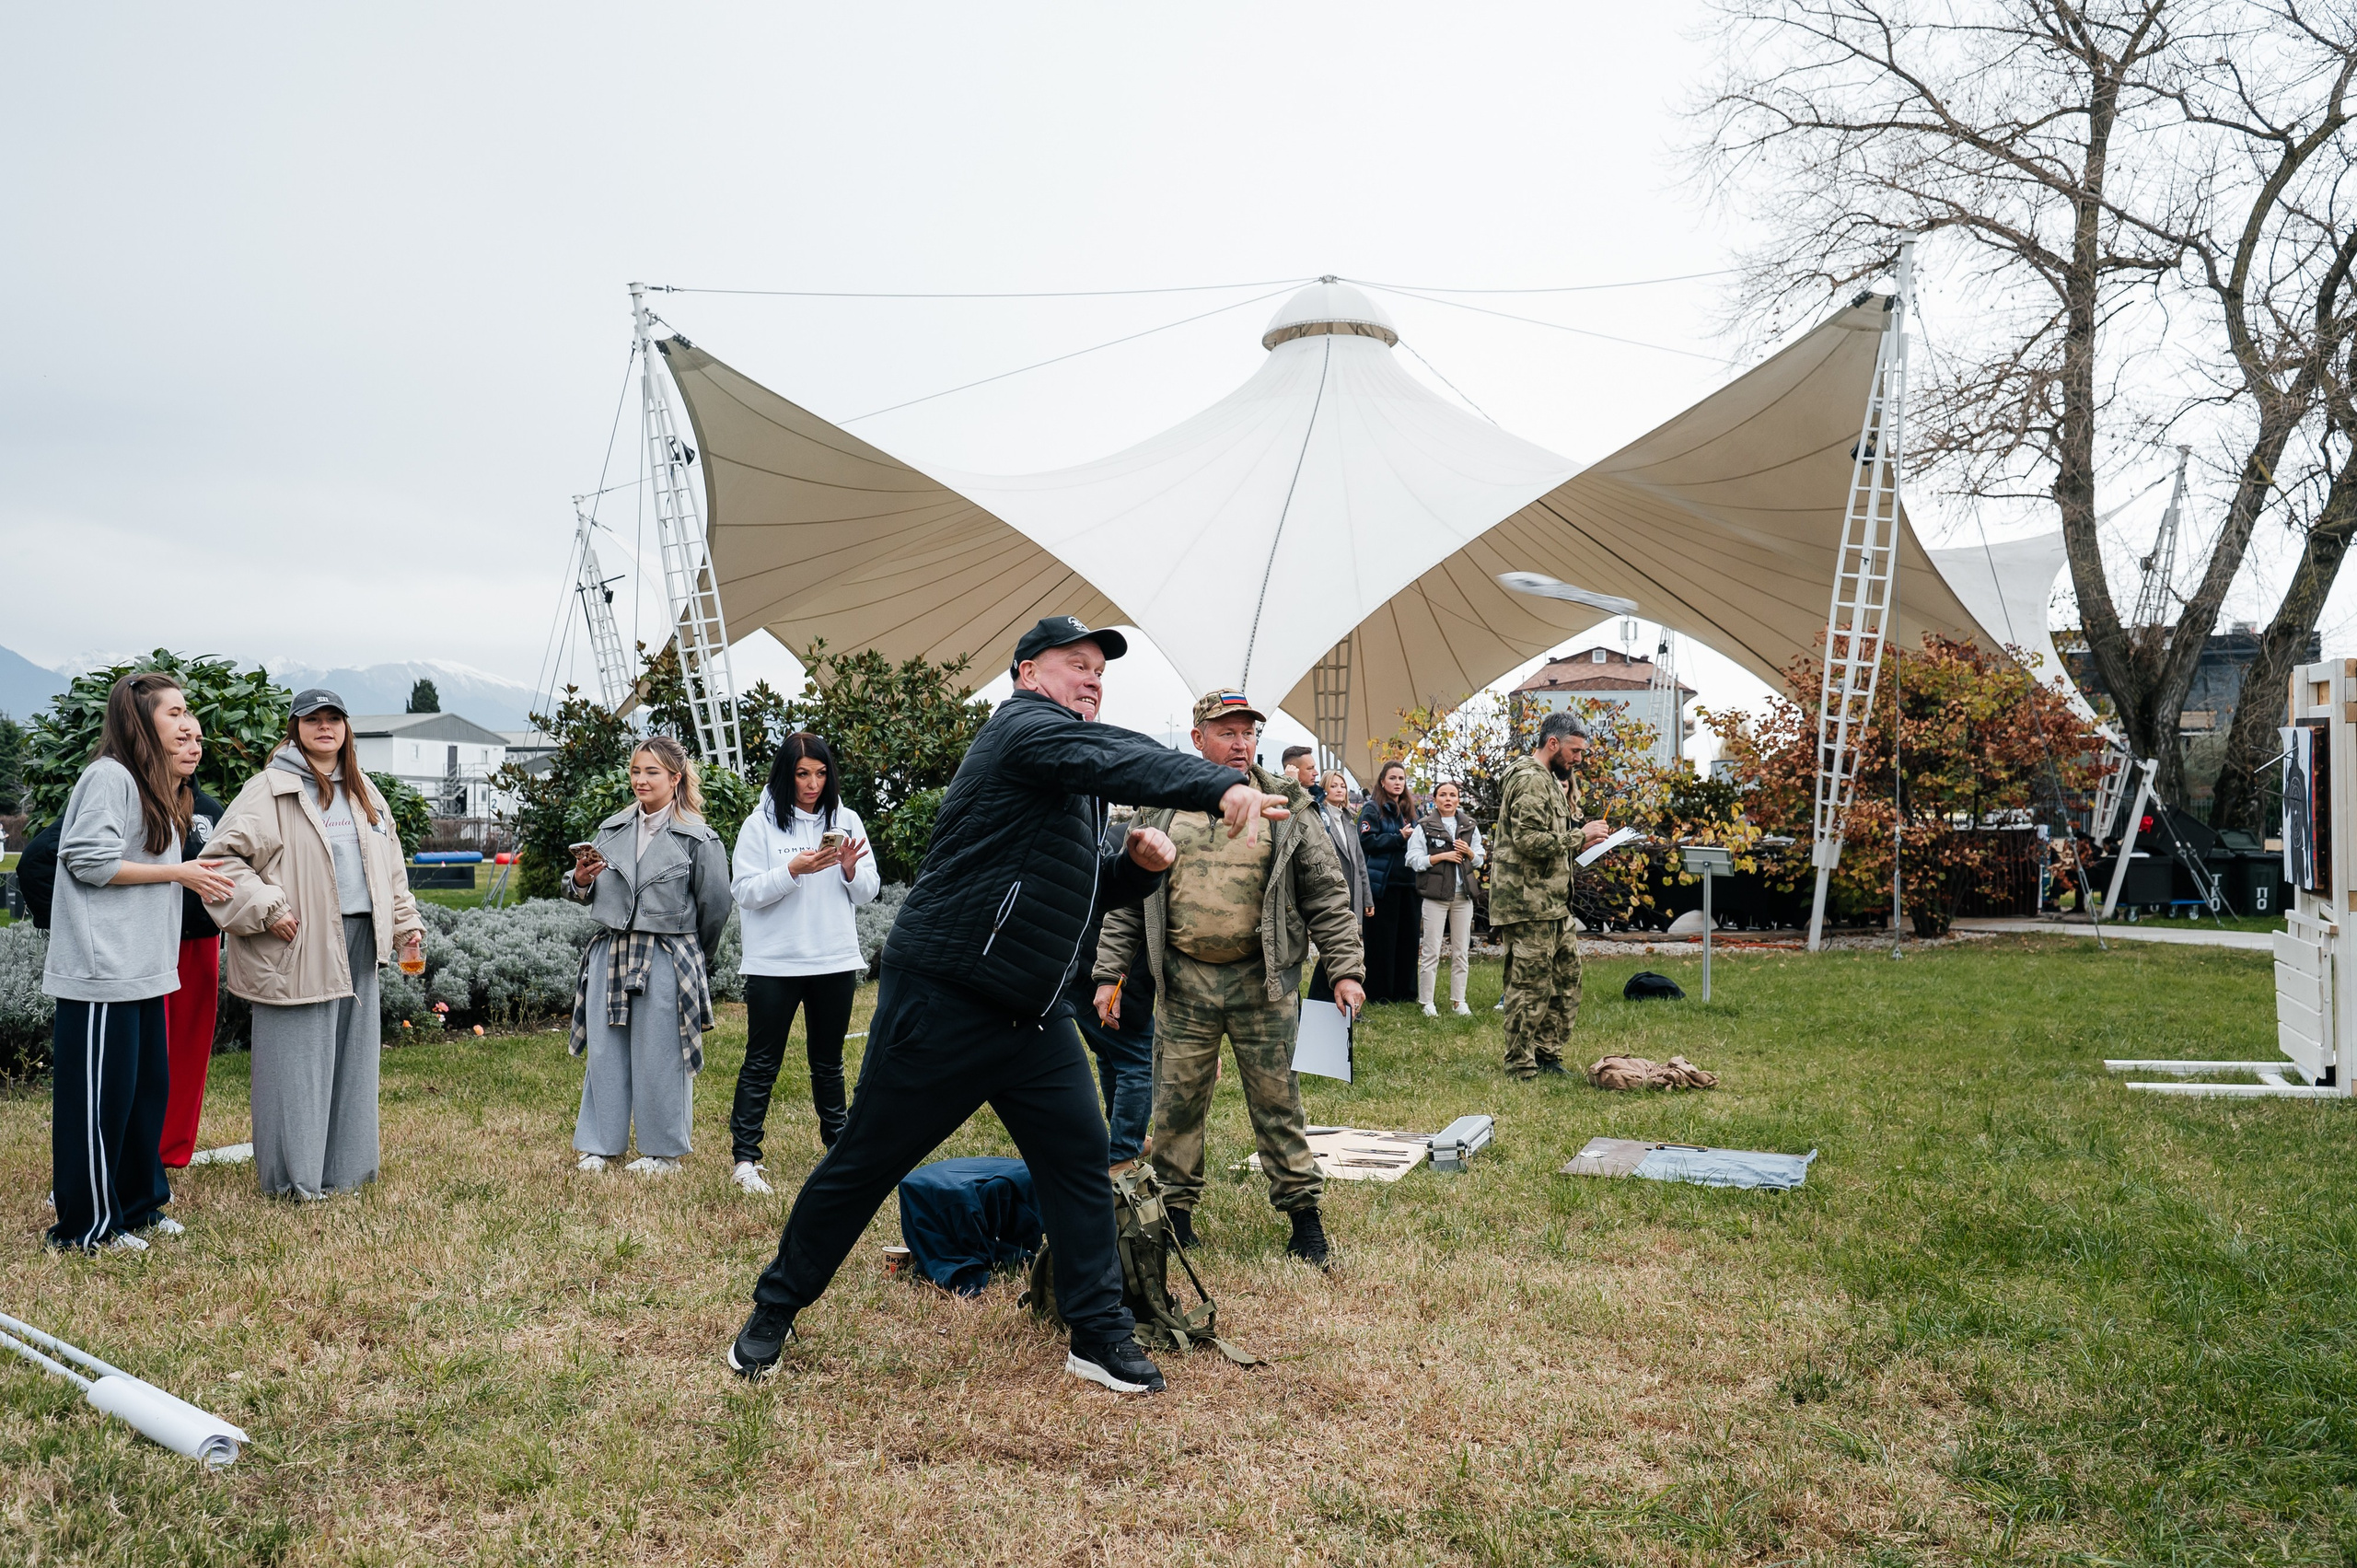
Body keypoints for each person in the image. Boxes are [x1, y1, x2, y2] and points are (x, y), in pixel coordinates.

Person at [729, 615, 1283, 1396]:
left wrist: (1133, 869)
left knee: (1080, 1165)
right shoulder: (1022, 729)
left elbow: (1070, 887)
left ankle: (1097, 1332)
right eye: (1076, 663)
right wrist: (1215, 782)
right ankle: (774, 1309)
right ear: (1027, 672)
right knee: (865, 1161)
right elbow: (1107, 752)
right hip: (949, 995)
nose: (1092, 679)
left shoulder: (1068, 769)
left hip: (1034, 1014)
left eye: (1100, 671)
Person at [1093, 689, 1366, 1267]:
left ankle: (1305, 1221)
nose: (1241, 743)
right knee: (1176, 1107)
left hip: (1263, 984)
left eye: (1249, 732)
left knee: (1278, 1104)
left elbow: (1326, 893)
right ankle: (1175, 1220)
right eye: (1227, 732)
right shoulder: (1161, 805)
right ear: (1198, 739)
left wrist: (1345, 970)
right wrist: (1109, 975)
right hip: (1183, 984)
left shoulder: (1288, 803)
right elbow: (1126, 901)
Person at [203, 690, 424, 1199]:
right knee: (295, 1067)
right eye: (313, 719)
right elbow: (220, 861)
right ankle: (293, 1182)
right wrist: (268, 907)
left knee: (353, 1063)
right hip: (297, 941)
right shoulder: (268, 790)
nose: (325, 727)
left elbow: (391, 869)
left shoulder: (366, 792)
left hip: (360, 942)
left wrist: (405, 924)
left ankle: (347, 1176)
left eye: (333, 718)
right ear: (295, 728)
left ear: (346, 727)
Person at [41, 672, 226, 1250]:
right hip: (103, 974)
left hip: (146, 972)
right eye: (174, 713)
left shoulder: (157, 789)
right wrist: (178, 871)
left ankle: (140, 1208)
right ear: (140, 720)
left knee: (143, 1100)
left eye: (188, 711)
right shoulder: (109, 777)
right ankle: (87, 1229)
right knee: (98, 1108)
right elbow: (88, 860)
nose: (188, 723)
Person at [564, 735, 733, 1176]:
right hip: (611, 952)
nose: (641, 780)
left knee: (661, 1054)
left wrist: (692, 956)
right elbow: (584, 891)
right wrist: (580, 880)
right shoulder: (611, 829)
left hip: (666, 954)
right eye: (636, 771)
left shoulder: (699, 839)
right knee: (605, 1052)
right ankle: (601, 1146)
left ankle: (663, 1153)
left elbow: (716, 907)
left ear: (675, 778)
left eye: (652, 772)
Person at [727, 732, 880, 1195]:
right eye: (802, 774)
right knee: (762, 1062)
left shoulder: (846, 820)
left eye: (820, 773)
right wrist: (793, 871)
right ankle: (745, 1160)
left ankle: (839, 1152)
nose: (813, 784)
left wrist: (849, 869)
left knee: (828, 1063)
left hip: (834, 958)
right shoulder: (759, 825)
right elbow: (744, 891)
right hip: (774, 963)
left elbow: (869, 890)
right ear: (785, 776)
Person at [1490, 712, 1610, 1079]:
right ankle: (1520, 1063)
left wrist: (1581, 842)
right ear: (1553, 743)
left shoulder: (1549, 780)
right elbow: (1528, 840)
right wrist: (1579, 835)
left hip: (1553, 905)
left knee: (1565, 982)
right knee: (1529, 987)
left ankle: (1547, 1054)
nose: (1578, 759)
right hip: (1527, 904)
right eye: (1575, 751)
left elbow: (1549, 840)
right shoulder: (1530, 779)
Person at [1067, 813, 1156, 1172]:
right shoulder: (1156, 846)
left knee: (1110, 1052)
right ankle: (1122, 1154)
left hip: (1073, 960)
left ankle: (1125, 1136)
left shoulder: (1125, 834)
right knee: (1138, 1056)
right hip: (1104, 964)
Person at [159, 767, 227, 1168]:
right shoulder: (135, 799)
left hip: (200, 941)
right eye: (183, 738)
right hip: (150, 942)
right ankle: (138, 1145)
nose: (192, 746)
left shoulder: (211, 811)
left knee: (189, 1050)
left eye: (198, 739)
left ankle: (173, 1150)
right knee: (148, 1049)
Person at [1405, 780, 1486, 1017]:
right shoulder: (1424, 826)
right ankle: (1427, 1002)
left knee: (1461, 951)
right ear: (1435, 799)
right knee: (1431, 950)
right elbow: (1412, 859)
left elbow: (1480, 858)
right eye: (1443, 795)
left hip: (1463, 896)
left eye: (1452, 795)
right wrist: (1441, 857)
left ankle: (1459, 1001)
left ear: (1458, 799)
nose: (1448, 799)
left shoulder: (1469, 826)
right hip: (1435, 896)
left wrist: (1469, 853)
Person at [1306, 768, 1373, 1005]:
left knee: (1350, 946)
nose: (1339, 790)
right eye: (1333, 785)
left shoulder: (1348, 819)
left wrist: (1367, 897)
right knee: (1335, 948)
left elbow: (1360, 862)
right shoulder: (1319, 817)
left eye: (1342, 786)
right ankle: (1322, 1000)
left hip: (1353, 891)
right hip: (1331, 892)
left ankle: (1344, 1000)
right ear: (1324, 788)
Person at [1357, 761, 1421, 1003]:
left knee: (1408, 941)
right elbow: (1367, 842)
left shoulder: (1412, 811)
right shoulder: (1372, 809)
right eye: (1392, 778)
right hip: (1383, 885)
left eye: (1401, 778)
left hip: (1410, 884)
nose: (1397, 783)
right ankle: (1379, 994)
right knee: (1382, 943)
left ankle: (1406, 994)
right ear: (1382, 781)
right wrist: (1398, 838)